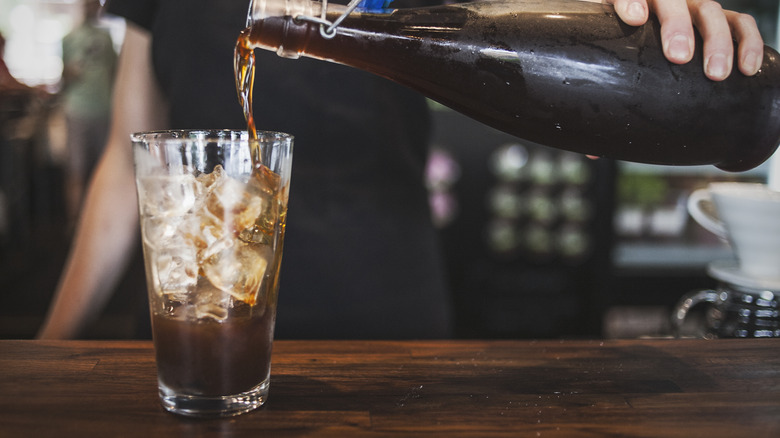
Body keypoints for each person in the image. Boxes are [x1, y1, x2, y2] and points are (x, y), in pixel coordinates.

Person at [37, 0, 766, 340]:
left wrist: (646, 28)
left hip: (387, 326)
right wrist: (43, 359)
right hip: (198, 333)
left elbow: (553, 33)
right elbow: (126, 164)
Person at [60, 0, 118, 223]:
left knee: (104, 171)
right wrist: (70, 73)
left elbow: (115, 73)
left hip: (104, 109)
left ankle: (102, 221)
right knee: (76, 171)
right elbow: (63, 77)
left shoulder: (106, 38)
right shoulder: (68, 38)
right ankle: (74, 225)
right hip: (77, 110)